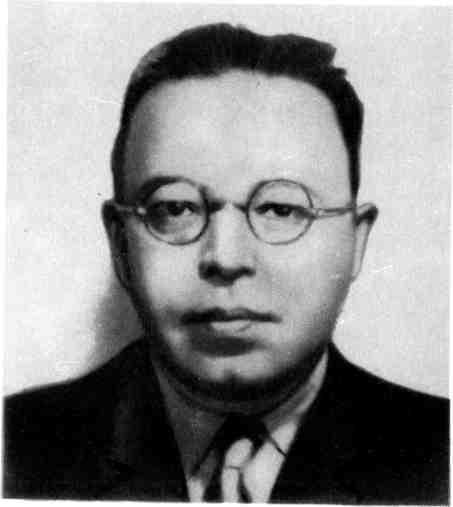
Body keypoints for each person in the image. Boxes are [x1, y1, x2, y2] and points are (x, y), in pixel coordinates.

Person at [4, 23, 448, 503]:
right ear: (120, 245)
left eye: (281, 209)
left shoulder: (439, 457)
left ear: (356, 241)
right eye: (175, 208)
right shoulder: (18, 451)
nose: (226, 258)